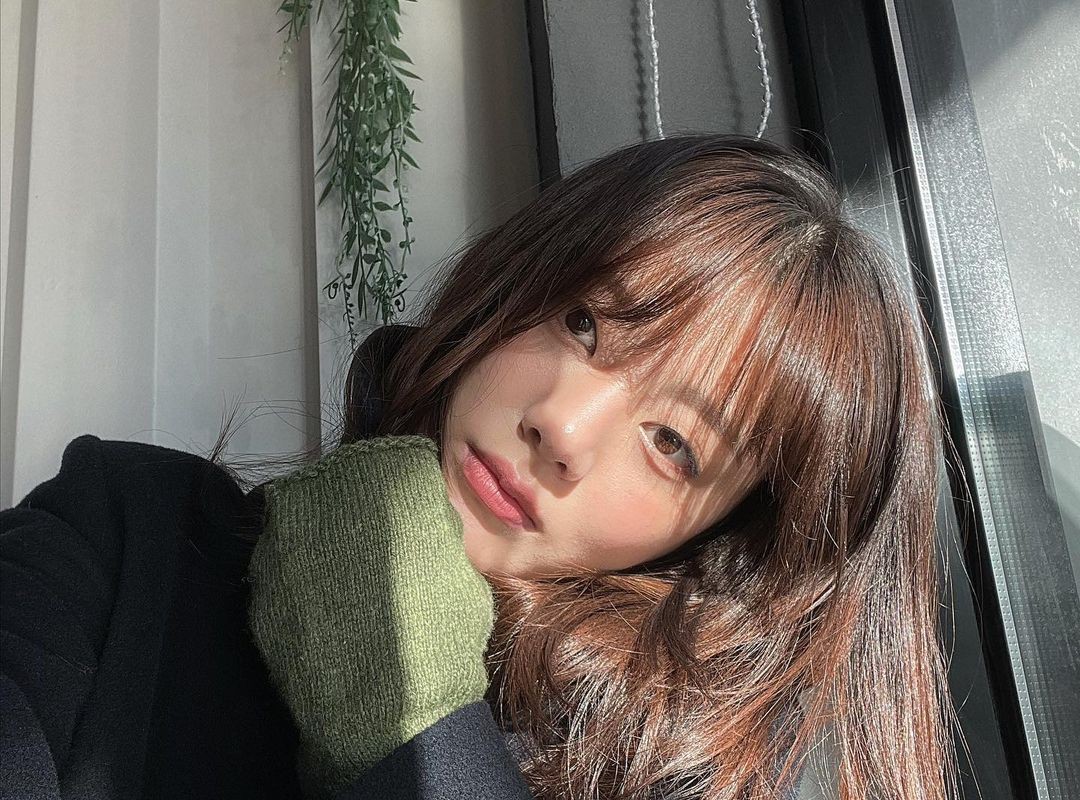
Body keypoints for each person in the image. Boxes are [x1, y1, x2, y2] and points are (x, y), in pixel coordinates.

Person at [0, 132, 961, 800]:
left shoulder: (682, 780)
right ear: (516, 283)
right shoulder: (127, 534)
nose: (563, 425)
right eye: (583, 322)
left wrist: (416, 734)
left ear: (722, 537)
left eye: (673, 443)